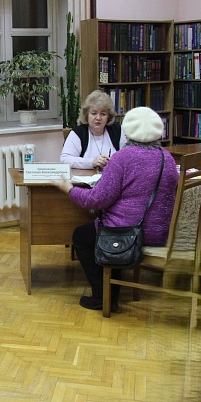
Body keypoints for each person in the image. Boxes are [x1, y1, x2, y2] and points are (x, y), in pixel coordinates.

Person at [52, 107, 179, 311]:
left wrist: (68, 188)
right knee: (106, 228)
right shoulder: (167, 158)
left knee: (82, 236)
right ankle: (112, 287)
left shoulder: (123, 158)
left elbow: (95, 200)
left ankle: (104, 296)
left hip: (129, 234)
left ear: (128, 131)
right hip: (162, 233)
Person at [60, 90, 127, 170]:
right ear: (87, 115)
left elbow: (128, 156)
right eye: (94, 113)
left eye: (103, 114)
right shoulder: (78, 133)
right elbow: (65, 159)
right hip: (85, 177)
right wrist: (91, 162)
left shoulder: (117, 130)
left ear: (108, 116)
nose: (98, 118)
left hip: (114, 176)